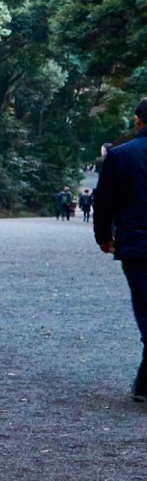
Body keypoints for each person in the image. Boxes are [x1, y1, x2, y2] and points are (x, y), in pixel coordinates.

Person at [94, 100, 147, 401]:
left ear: (138, 120)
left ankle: (144, 383)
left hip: (136, 243)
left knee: (144, 306)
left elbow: (105, 201)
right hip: (136, 242)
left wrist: (103, 235)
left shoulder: (120, 156)